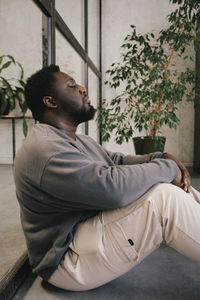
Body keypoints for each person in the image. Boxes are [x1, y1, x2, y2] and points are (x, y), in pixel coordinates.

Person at [14, 65, 200, 291]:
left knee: (167, 182)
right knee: (164, 199)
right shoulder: (45, 150)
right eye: (72, 86)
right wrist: (168, 167)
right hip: (66, 261)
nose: (82, 89)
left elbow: (118, 161)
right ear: (50, 102)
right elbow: (112, 189)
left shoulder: (77, 140)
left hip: (84, 236)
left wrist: (160, 157)